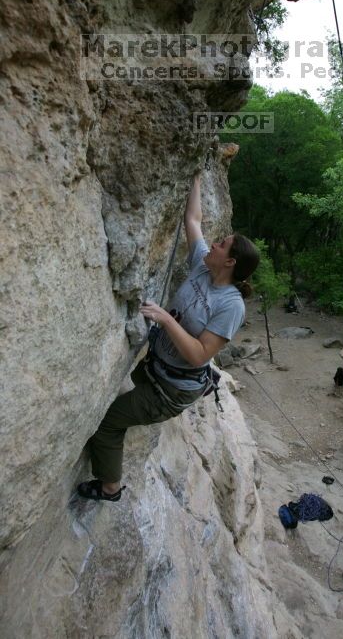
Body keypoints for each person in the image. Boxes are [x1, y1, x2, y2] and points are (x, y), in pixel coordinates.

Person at [77, 173, 260, 502]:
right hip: (155, 367)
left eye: (221, 244)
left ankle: (109, 488)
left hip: (172, 390)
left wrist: (164, 318)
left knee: (107, 424)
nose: (213, 243)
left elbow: (200, 354)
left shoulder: (231, 306)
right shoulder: (204, 266)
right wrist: (195, 175)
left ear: (229, 262)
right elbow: (193, 218)